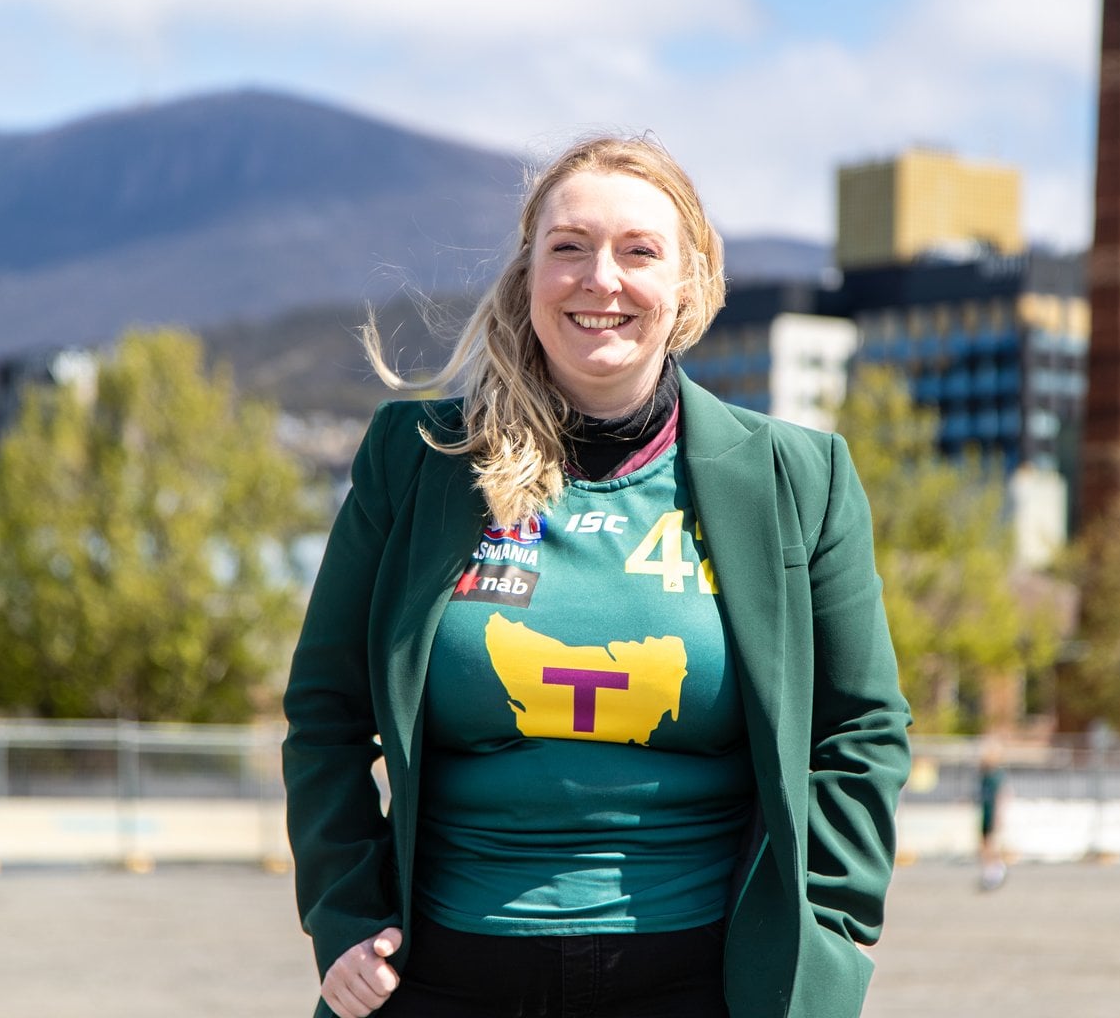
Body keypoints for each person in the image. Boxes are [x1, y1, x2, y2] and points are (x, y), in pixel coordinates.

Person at [282, 134, 912, 1018]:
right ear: (528, 275)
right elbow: (327, 710)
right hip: (439, 973)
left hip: (707, 978)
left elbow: (860, 728)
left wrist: (832, 931)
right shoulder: (419, 460)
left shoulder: (796, 480)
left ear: (690, 283)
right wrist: (345, 913)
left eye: (639, 252)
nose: (600, 279)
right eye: (569, 247)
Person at [977, 745, 1009, 891]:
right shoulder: (985, 776)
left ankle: (996, 870)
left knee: (991, 843)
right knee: (984, 843)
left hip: (992, 813)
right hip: (985, 812)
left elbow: (1002, 796)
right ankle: (990, 870)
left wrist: (999, 816)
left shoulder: (997, 776)